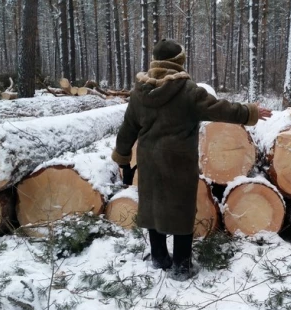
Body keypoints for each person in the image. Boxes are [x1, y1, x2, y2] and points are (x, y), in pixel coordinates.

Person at [112, 39, 272, 280]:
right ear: (179, 61)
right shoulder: (188, 91)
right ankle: (181, 267)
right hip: (179, 162)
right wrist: (250, 112)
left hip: (149, 161)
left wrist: (123, 158)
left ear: (155, 61)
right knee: (181, 210)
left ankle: (159, 258)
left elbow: (127, 130)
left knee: (153, 206)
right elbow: (220, 108)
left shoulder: (139, 93)